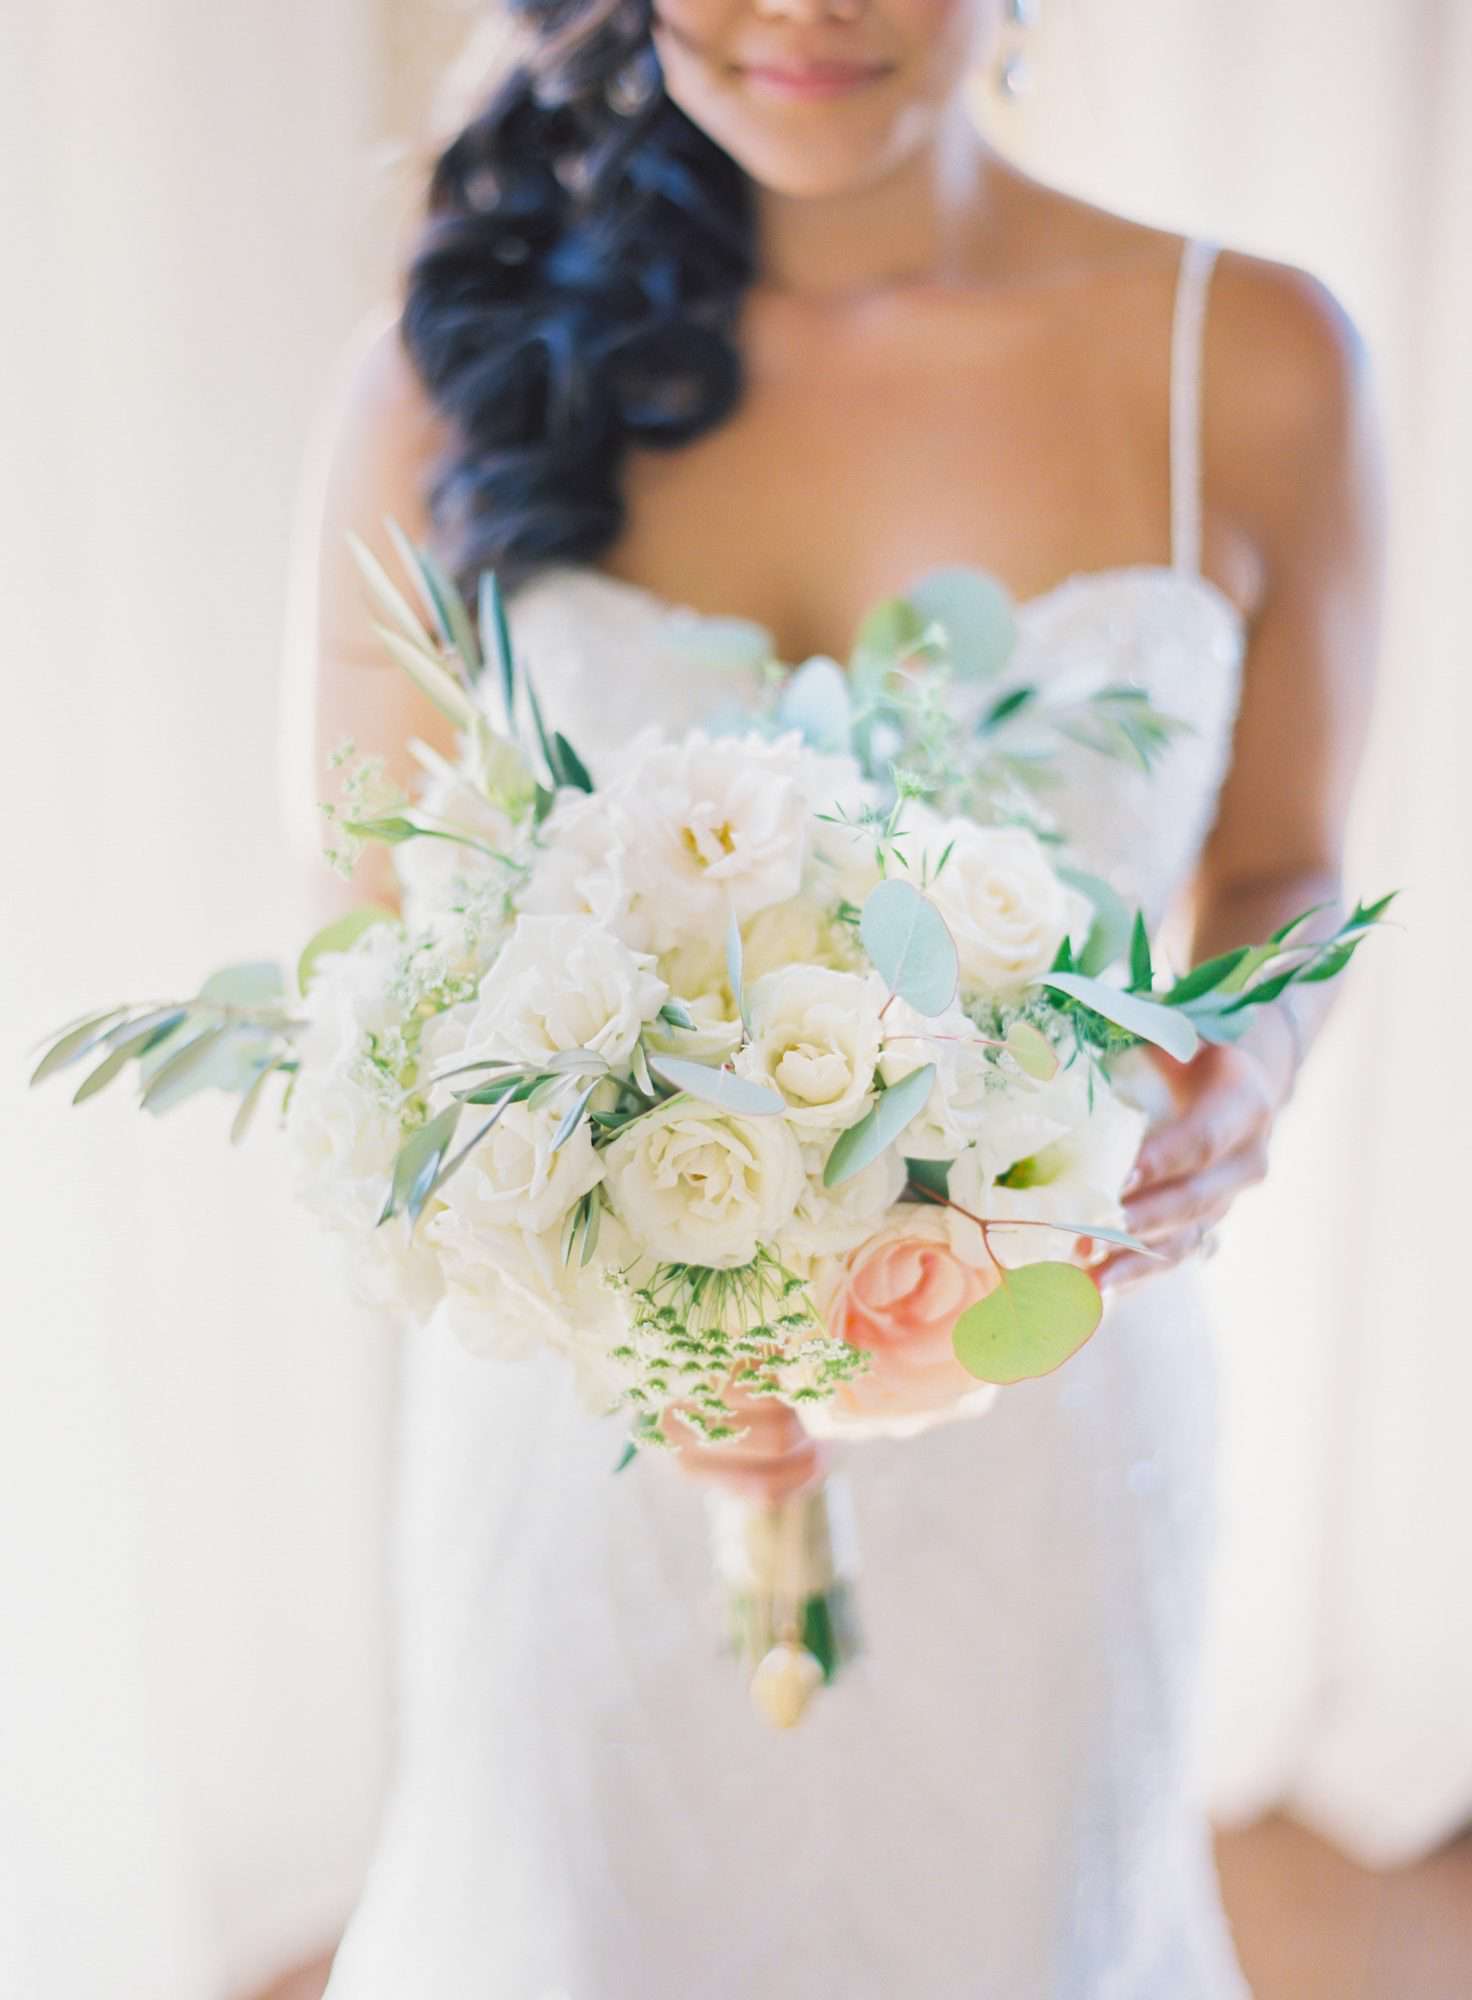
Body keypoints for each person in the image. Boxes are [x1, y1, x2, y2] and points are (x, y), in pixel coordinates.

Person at [302, 0, 1381, 1990]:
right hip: (587, 1419)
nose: (802, 10)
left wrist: (1254, 1063)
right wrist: (637, 1321)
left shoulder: (1247, 358)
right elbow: (373, 935)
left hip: (1055, 1364)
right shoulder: (438, 378)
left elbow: (1281, 869)